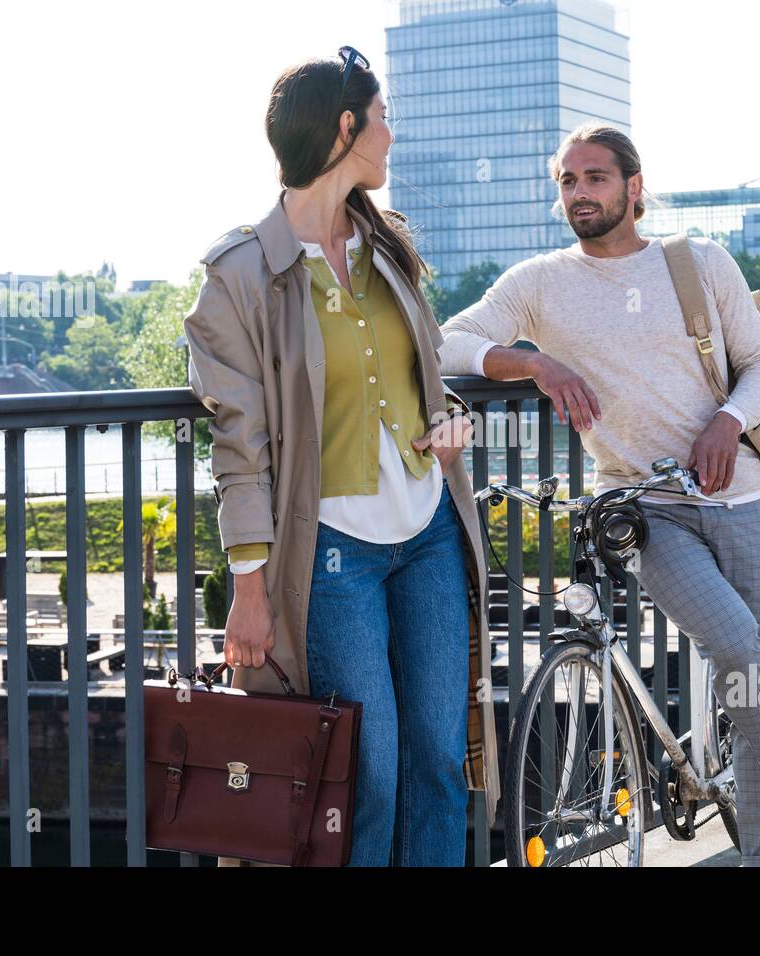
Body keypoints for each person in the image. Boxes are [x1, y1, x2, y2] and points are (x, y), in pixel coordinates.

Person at [438, 122, 760, 867]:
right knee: (735, 647)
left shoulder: (698, 262)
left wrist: (728, 423)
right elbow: (446, 342)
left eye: (595, 178)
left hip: (738, 497)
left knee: (754, 682)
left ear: (634, 189)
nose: (579, 193)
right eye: (567, 182)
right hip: (642, 509)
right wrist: (535, 366)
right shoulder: (541, 283)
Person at [182, 47, 500, 866]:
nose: (393, 137)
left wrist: (451, 421)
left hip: (428, 532)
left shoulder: (387, 247)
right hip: (332, 556)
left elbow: (427, 372)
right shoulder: (240, 276)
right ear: (345, 128)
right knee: (370, 771)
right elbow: (238, 446)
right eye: (382, 118)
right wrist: (247, 589)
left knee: (438, 761)